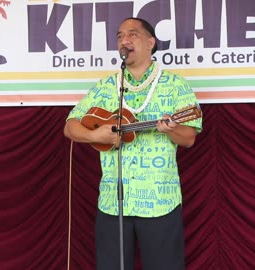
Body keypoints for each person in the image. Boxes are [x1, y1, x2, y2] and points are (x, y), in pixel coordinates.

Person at [64, 17, 202, 270]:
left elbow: (189, 138)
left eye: (132, 34)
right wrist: (95, 136)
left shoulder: (175, 85)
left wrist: (171, 130)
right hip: (112, 200)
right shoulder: (107, 86)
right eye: (119, 36)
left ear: (151, 42)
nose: (124, 40)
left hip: (160, 200)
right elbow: (70, 126)